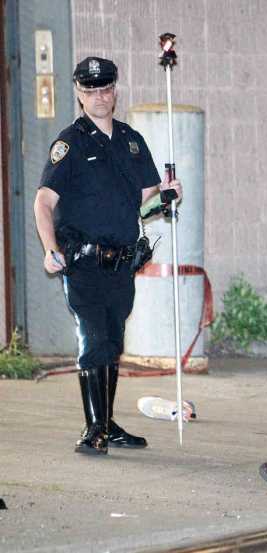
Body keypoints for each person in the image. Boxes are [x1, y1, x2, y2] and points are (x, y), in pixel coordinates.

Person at [33, 56, 182, 455]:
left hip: (121, 262)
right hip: (82, 261)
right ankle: (94, 428)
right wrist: (50, 249)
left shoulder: (132, 141)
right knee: (94, 338)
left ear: (115, 91)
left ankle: (107, 423)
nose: (99, 97)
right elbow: (43, 201)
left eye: (105, 89)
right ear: (79, 94)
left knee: (113, 341)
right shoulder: (70, 143)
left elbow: (144, 203)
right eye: (91, 90)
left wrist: (167, 196)